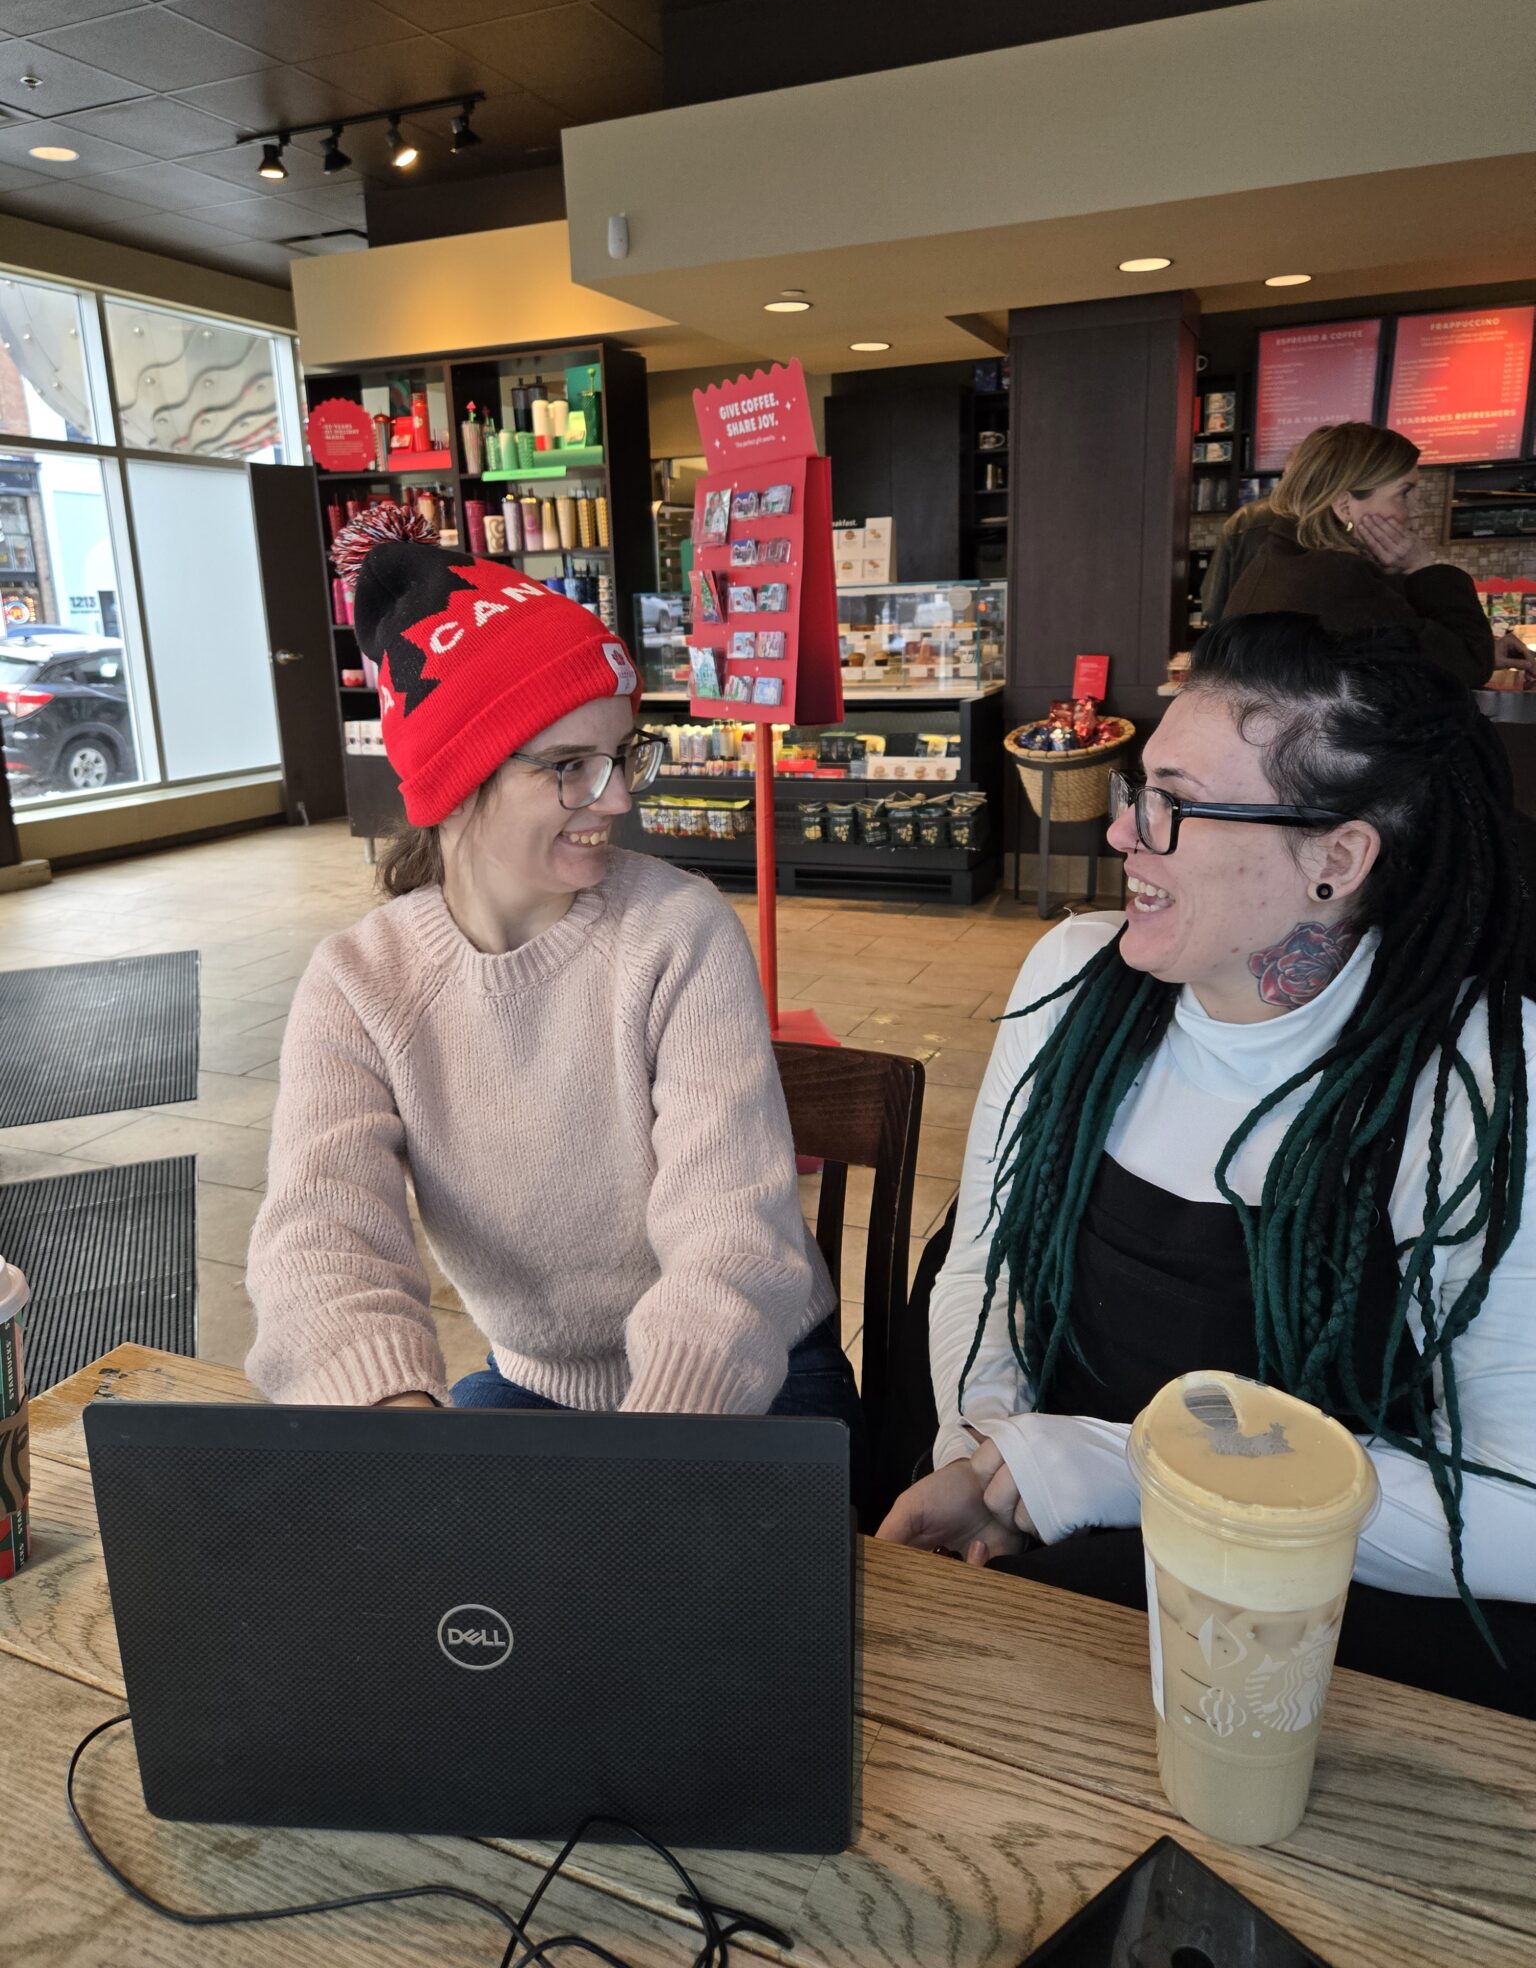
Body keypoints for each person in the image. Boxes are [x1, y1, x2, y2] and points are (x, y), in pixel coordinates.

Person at [878, 613, 1536, 1714]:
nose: (1124, 833)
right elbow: (980, 1261)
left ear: (1339, 856)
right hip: (1049, 1587)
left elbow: (1516, 1509)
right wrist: (990, 1456)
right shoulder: (1073, 978)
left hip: (1307, 1645)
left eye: (1173, 804)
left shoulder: (1469, 1074)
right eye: (1141, 790)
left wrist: (1124, 1470)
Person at [246, 512, 861, 1469]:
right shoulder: (360, 984)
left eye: (621, 755)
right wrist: (395, 1420)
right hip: (536, 1382)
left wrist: (639, 1461)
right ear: (455, 784)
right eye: (569, 768)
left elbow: (731, 1236)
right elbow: (320, 1242)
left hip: (751, 1378)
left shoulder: (676, 930)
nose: (618, 799)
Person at [1222, 422, 1493, 688]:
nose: (1416, 510)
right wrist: (1421, 566)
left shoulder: (1285, 559)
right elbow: (1467, 665)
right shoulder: (1337, 577)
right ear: (1344, 505)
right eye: (1404, 494)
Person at [1198, 495, 1273, 625]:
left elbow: (1213, 605)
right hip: (1310, 641)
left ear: (1285, 475)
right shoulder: (1317, 518)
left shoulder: (1244, 519)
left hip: (1245, 637)